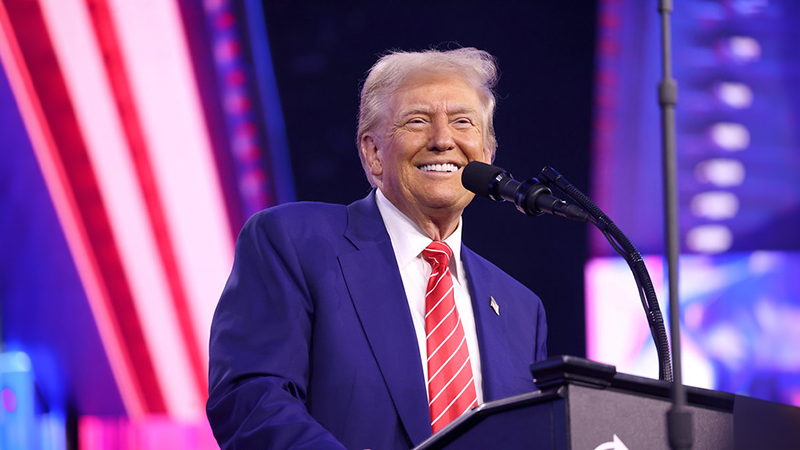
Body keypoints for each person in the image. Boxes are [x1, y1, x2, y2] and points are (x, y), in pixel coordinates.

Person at [206, 47, 548, 450]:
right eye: (417, 121)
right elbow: (252, 400)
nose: (442, 140)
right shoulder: (294, 243)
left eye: (462, 122)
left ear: (487, 156)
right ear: (373, 153)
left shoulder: (522, 309)